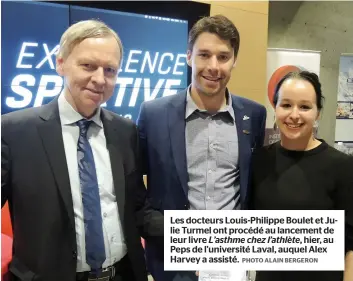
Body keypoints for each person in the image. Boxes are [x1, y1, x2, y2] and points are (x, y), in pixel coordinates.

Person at [1, 20, 163, 281]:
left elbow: (137, 209)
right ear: (61, 63)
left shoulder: (125, 132)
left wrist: (203, 239)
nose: (99, 79)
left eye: (110, 70)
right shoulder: (13, 131)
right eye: (88, 66)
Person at [137, 15, 267, 281]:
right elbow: (135, 193)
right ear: (189, 57)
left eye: (223, 57)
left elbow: (253, 187)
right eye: (204, 55)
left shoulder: (253, 115)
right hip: (171, 264)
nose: (213, 66)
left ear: (234, 60)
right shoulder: (154, 114)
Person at [250, 71, 353, 281]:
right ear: (275, 107)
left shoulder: (342, 166)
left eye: (305, 107)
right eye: (286, 105)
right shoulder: (258, 160)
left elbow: (351, 244)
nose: (294, 115)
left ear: (318, 113)